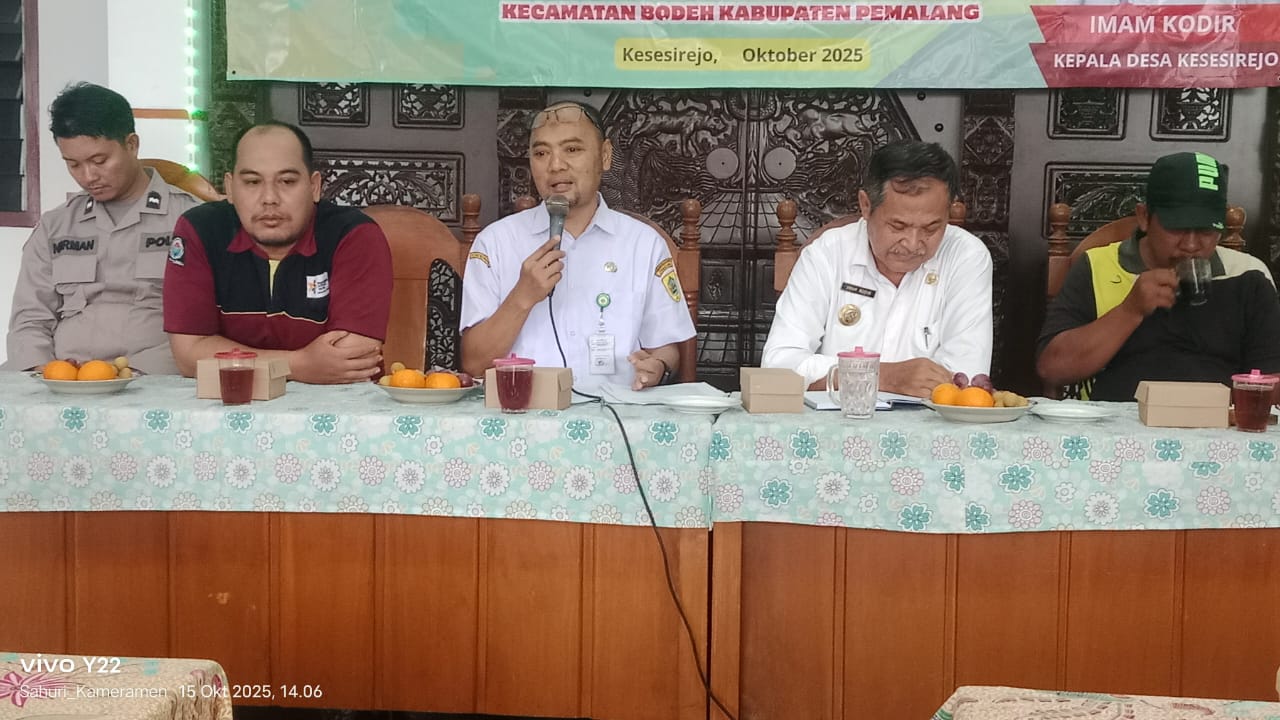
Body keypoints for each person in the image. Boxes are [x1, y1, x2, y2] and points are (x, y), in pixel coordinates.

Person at [459, 100, 694, 391]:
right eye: (541, 153)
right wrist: (522, 297)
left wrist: (658, 366)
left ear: (605, 156)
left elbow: (667, 348)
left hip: (616, 409)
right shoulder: (495, 243)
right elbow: (474, 363)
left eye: (572, 149)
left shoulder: (643, 244)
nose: (555, 165)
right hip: (523, 410)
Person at [1038, 151, 1280, 401]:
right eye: (1177, 227)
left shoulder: (1247, 275)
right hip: (1119, 421)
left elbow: (1272, 383)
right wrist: (1130, 310)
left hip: (1218, 421)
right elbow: (1052, 369)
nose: (1191, 245)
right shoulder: (1098, 265)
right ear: (1144, 217)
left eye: (1206, 230)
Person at [163, 121, 393, 384]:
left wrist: (234, 361)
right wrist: (299, 365)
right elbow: (189, 355)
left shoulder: (353, 235)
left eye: (287, 181)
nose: (269, 198)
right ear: (230, 188)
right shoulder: (200, 230)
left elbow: (352, 360)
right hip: (232, 401)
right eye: (252, 182)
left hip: (341, 404)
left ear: (314, 186)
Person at [762, 140, 993, 398]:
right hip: (834, 420)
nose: (912, 244)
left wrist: (842, 374)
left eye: (931, 228)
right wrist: (881, 376)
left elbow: (966, 378)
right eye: (898, 226)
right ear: (866, 205)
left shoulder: (965, 256)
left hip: (927, 422)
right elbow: (778, 367)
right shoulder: (828, 253)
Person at [3, 83, 202, 374]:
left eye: (100, 161)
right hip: (60, 380)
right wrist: (43, 372)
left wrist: (124, 376)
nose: (88, 177)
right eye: (73, 165)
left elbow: (204, 326)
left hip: (152, 380)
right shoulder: (55, 226)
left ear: (132, 144)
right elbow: (29, 319)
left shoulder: (192, 220)